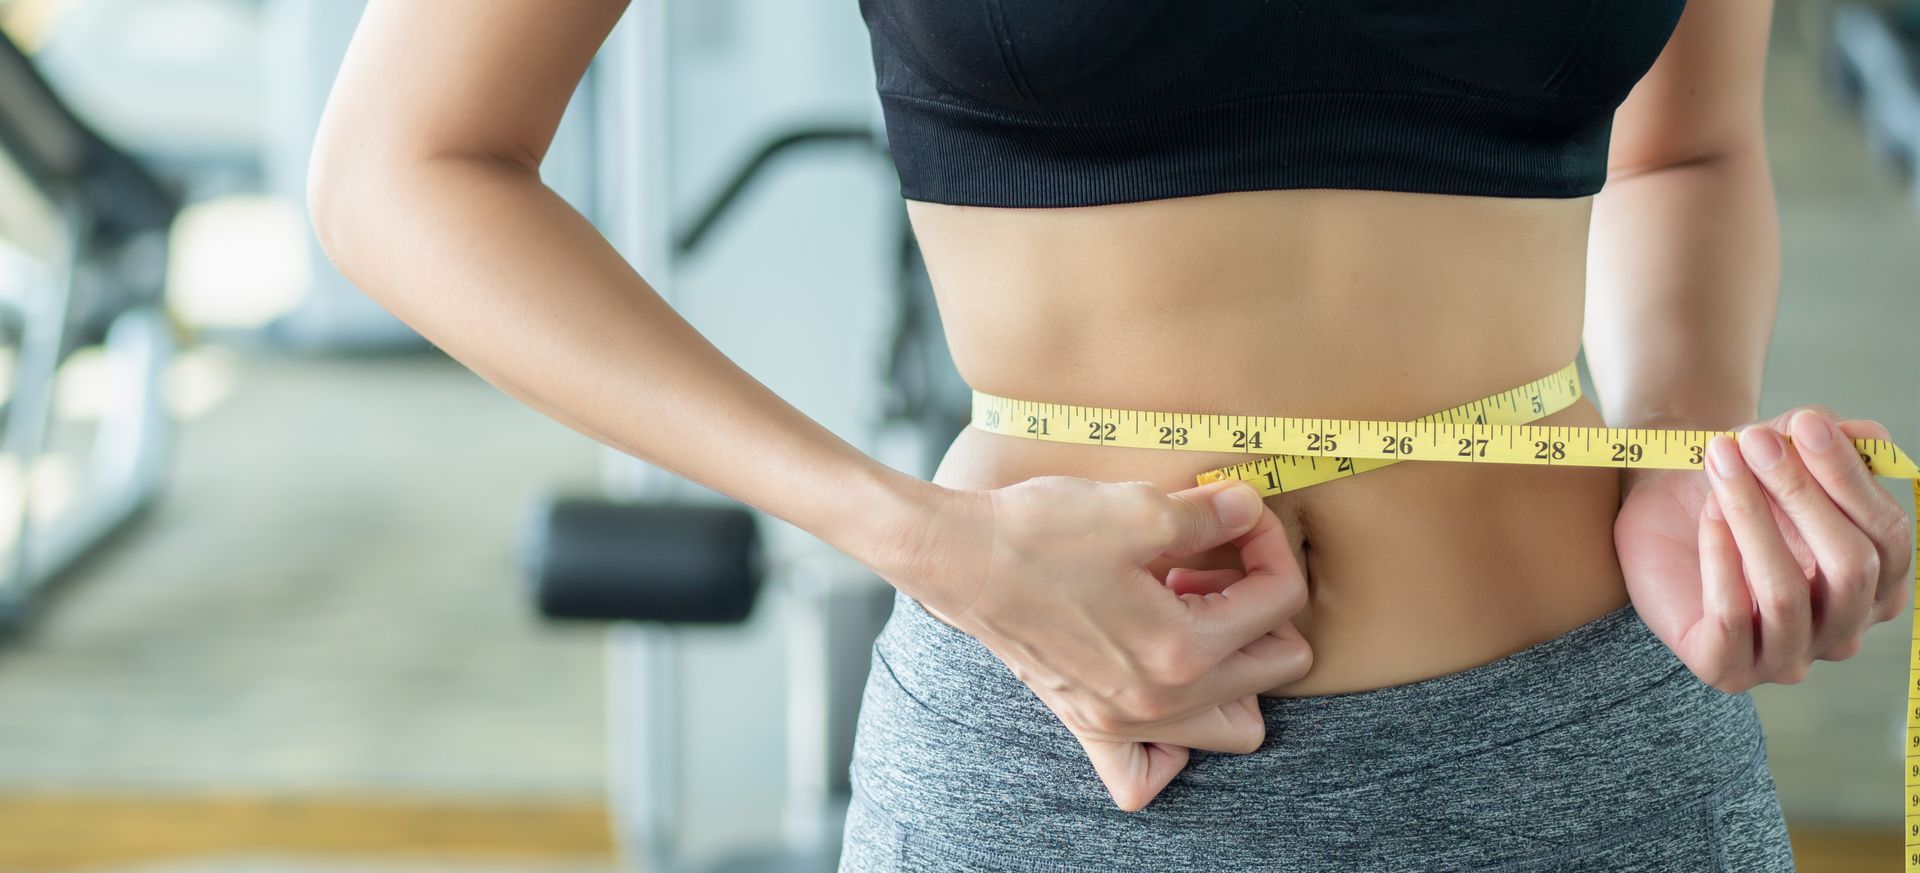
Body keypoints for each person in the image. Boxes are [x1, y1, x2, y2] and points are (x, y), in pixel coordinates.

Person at [308, 1, 1915, 870]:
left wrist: (1676, 458)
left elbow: (1685, 150)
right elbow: (406, 163)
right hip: (1077, 771)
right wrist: (914, 538)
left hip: (1596, 758)